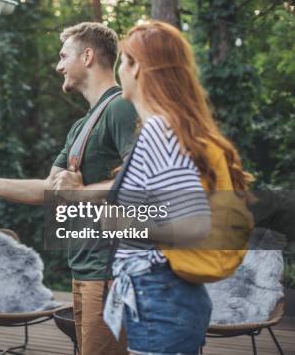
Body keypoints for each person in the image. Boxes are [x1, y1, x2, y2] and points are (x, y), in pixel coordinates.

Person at [0, 22, 136, 355]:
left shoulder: (121, 107)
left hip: (110, 270)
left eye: (64, 56)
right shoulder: (82, 125)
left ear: (89, 56)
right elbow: (50, 190)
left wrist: (83, 191)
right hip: (84, 268)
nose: (58, 65)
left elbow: (141, 178)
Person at [98, 21, 253, 354]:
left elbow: (191, 223)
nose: (119, 71)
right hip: (166, 298)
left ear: (137, 67)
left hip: (160, 297)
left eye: (123, 61)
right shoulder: (172, 129)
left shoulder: (159, 130)